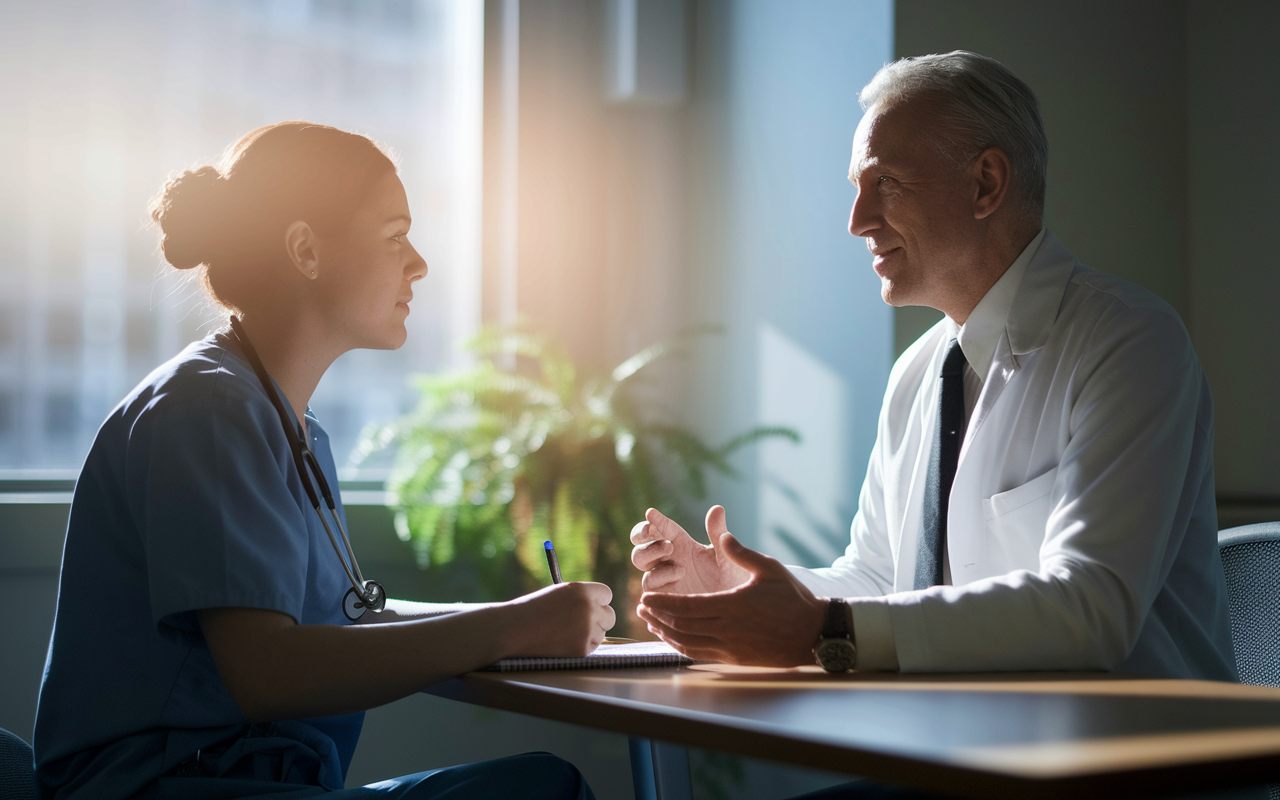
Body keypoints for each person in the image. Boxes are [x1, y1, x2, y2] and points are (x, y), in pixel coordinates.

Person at [33, 121, 614, 800]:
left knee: (541, 783)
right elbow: (268, 671)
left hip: (246, 781)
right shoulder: (210, 412)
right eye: (395, 237)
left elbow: (345, 621)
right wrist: (511, 626)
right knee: (540, 791)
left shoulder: (280, 421)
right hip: (165, 789)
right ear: (305, 250)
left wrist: (522, 615)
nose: (419, 263)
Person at [630, 51, 1237, 682]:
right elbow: (876, 580)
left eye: (884, 182)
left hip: (1138, 765)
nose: (857, 221)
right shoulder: (918, 372)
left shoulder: (1129, 341)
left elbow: (1091, 607)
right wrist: (738, 588)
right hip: (964, 755)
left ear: (985, 185)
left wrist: (822, 629)